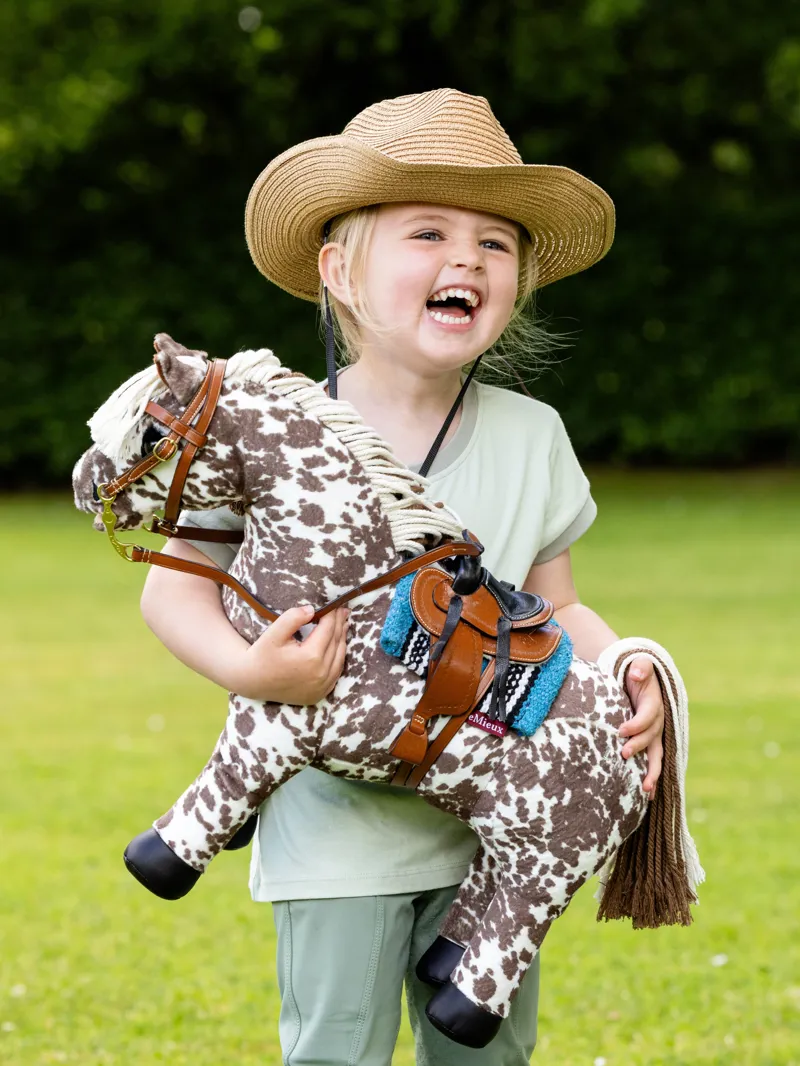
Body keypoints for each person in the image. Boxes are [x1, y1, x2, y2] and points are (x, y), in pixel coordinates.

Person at [139, 89, 667, 1065]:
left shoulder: (531, 435)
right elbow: (171, 588)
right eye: (425, 233)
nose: (463, 258)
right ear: (339, 271)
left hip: (489, 822)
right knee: (334, 1047)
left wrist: (622, 667)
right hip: (333, 832)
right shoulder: (269, 431)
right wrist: (254, 674)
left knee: (485, 1050)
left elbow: (557, 607)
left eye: (494, 244)